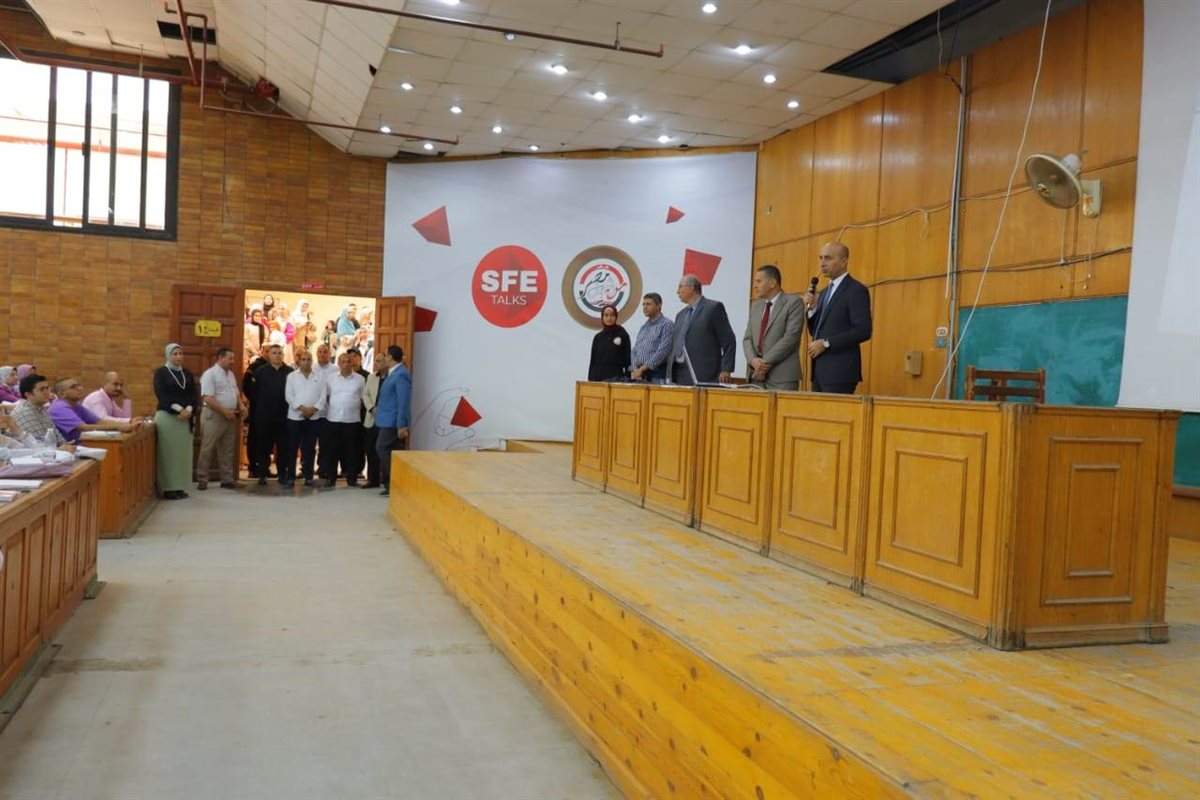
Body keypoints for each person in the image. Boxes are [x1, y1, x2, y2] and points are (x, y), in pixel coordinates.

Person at [802, 242, 873, 394]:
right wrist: (812, 308)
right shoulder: (823, 293)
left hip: (840, 372)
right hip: (818, 371)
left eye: (828, 258)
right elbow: (816, 331)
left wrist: (826, 343)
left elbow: (863, 331)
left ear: (844, 261)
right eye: (821, 258)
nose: (822, 263)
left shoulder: (856, 290)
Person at [743, 264, 804, 391]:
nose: (755, 286)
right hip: (755, 376)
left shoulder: (793, 303)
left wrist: (763, 363)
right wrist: (753, 360)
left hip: (782, 377)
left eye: (759, 281)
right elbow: (747, 339)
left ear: (772, 283)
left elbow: (791, 338)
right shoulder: (755, 306)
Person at [669, 273, 736, 385]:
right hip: (678, 374)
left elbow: (729, 340)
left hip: (704, 373)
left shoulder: (713, 308)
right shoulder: (680, 315)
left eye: (680, 287)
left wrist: (726, 369)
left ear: (691, 288)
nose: (677, 291)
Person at [153, 344, 199, 500]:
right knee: (169, 454)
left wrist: (189, 409)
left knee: (183, 454)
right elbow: (162, 394)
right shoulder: (161, 373)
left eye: (180, 353)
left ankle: (180, 486)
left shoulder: (187, 373)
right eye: (175, 354)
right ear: (168, 355)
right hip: (168, 417)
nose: (179, 357)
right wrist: (180, 409)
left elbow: (193, 394)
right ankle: (169, 488)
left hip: (185, 418)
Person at [197, 347, 245, 490]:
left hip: (230, 415)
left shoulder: (230, 374)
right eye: (230, 358)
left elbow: (236, 393)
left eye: (233, 358)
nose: (232, 361)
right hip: (214, 415)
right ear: (220, 358)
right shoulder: (210, 374)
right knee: (207, 447)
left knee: (227, 448)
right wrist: (224, 411)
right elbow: (207, 398)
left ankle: (227, 479)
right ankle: (202, 479)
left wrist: (241, 405)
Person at [321, 352, 365, 487]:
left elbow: (363, 397)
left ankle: (351, 479)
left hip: (352, 420)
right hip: (333, 419)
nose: (346, 364)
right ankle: (331, 478)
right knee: (332, 451)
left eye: (348, 361)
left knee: (352, 451)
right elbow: (327, 396)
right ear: (338, 364)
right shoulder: (331, 378)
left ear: (352, 363)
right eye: (343, 362)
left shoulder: (360, 379)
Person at [49, 377, 139, 444]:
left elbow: (100, 422)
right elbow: (83, 427)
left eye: (79, 386)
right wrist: (118, 427)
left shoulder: (77, 406)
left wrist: (128, 424)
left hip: (81, 446)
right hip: (67, 450)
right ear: (62, 393)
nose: (79, 389)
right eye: (73, 387)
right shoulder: (59, 408)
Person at [251, 344, 292, 486]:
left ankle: (282, 474)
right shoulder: (260, 372)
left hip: (284, 417)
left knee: (283, 448)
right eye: (274, 353)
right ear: (269, 355)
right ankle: (262, 474)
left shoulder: (290, 372)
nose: (277, 355)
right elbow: (253, 392)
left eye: (280, 353)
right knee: (263, 447)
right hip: (265, 416)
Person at [284, 350, 326, 488]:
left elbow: (323, 396)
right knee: (292, 448)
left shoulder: (319, 377)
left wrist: (313, 410)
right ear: (299, 361)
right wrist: (302, 409)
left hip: (313, 418)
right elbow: (289, 396)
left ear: (312, 361)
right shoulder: (292, 377)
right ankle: (290, 477)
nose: (306, 362)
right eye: (303, 359)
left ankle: (308, 477)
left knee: (310, 448)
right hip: (295, 418)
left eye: (309, 359)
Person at [374, 345, 412, 497]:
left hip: (393, 421)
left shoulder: (401, 374)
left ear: (390, 357)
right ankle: (391, 485)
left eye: (385, 355)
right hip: (386, 420)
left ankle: (397, 482)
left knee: (381, 447)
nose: (383, 358)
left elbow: (403, 401)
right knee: (392, 451)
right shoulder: (393, 372)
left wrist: (401, 425)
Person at [7, 374, 74, 452]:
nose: (47, 392)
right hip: (30, 456)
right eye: (42, 389)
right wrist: (60, 449)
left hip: (49, 453)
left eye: (47, 388)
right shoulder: (23, 412)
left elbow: (57, 436)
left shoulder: (42, 409)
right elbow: (37, 445)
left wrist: (65, 445)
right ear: (28, 394)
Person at [629, 293, 675, 383]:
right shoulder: (644, 327)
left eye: (648, 304)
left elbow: (663, 352)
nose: (645, 307)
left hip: (657, 373)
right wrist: (635, 369)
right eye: (643, 304)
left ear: (659, 306)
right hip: (640, 375)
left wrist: (642, 369)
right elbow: (635, 350)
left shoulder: (667, 325)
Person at [360, 351, 385, 489]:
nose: (375, 363)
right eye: (375, 360)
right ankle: (372, 479)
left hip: (386, 420)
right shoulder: (371, 377)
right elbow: (365, 394)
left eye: (379, 361)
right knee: (370, 450)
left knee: (384, 450)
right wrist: (371, 408)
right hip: (371, 418)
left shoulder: (391, 378)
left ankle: (386, 480)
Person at [587, 304, 631, 381]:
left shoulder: (623, 334)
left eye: (612, 315)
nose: (609, 318)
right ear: (602, 317)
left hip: (616, 378)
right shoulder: (598, 337)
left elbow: (627, 359)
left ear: (616, 316)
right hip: (598, 378)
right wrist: (590, 379)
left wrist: (627, 377)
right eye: (606, 315)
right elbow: (593, 361)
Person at [242, 352, 267, 478]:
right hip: (257, 409)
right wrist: (255, 399)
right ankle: (253, 467)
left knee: (267, 440)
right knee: (255, 438)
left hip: (272, 411)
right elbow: (246, 386)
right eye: (268, 351)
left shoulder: (279, 368)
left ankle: (264, 468)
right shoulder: (254, 367)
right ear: (263, 352)